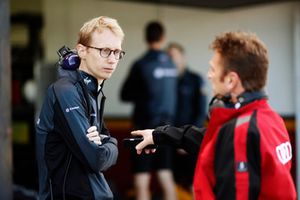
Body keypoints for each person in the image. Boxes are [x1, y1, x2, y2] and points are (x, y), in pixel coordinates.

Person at [131, 31, 297, 200]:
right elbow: (212, 140)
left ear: (231, 80)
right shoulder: (272, 119)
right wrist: (158, 135)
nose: (209, 75)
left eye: (213, 69)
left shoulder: (240, 132)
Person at [35, 16, 125, 200]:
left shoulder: (91, 91)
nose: (112, 59)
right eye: (105, 51)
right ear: (82, 51)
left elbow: (103, 145)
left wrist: (106, 142)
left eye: (117, 52)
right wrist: (112, 144)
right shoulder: (65, 91)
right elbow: (97, 158)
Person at [120, 21, 177, 200]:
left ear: (146, 38)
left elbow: (124, 94)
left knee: (141, 180)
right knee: (166, 176)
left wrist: (143, 93)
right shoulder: (172, 65)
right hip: (167, 129)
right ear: (163, 37)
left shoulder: (141, 64)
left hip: (143, 128)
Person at [167, 43, 206, 192]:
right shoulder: (166, 82)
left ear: (183, 57)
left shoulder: (195, 79)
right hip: (170, 140)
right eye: (168, 57)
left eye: (173, 56)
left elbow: (200, 112)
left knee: (194, 184)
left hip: (190, 140)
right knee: (172, 184)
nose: (170, 60)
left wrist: (187, 139)